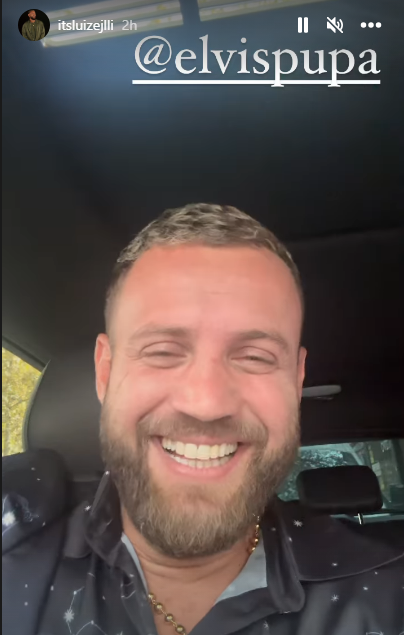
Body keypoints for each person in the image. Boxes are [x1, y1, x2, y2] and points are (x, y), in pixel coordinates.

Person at [2, 204, 404, 635]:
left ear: (296, 380)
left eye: (255, 357)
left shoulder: (389, 598)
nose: (207, 403)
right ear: (105, 373)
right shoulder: (13, 561)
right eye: (162, 351)